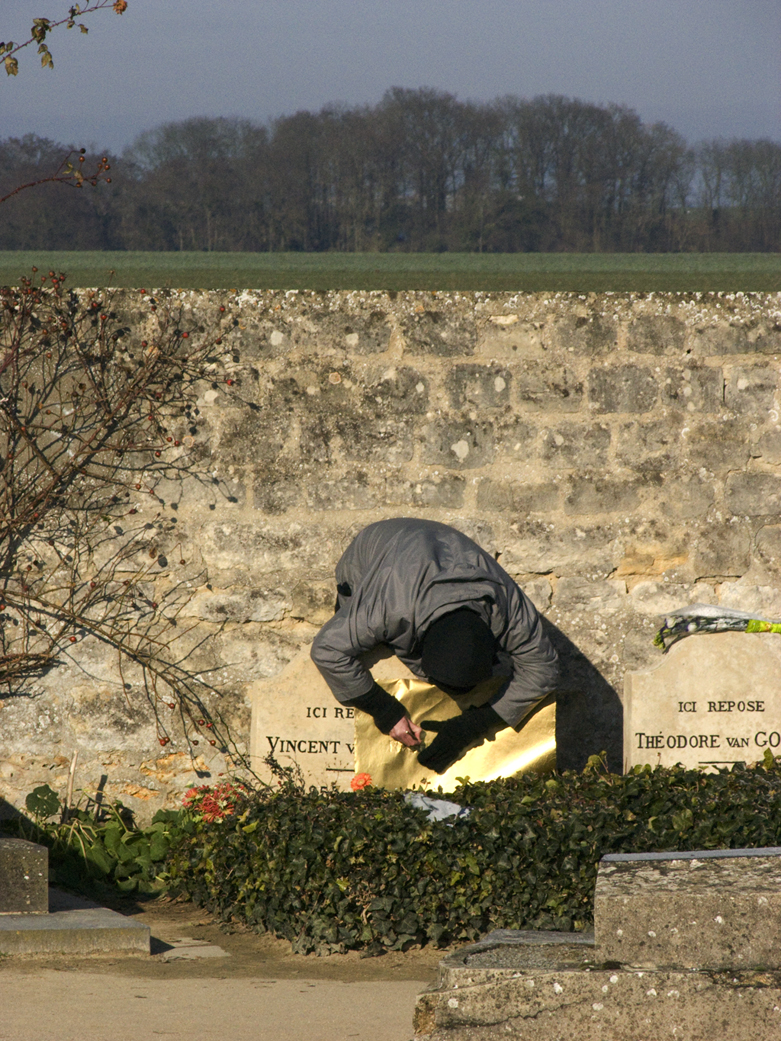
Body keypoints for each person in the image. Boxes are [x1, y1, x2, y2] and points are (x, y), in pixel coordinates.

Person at [311, 518, 559, 774]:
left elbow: (543, 668)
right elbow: (328, 650)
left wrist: (476, 723)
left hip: (443, 552)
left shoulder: (505, 607)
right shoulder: (385, 609)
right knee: (356, 641)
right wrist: (385, 711)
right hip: (375, 551)